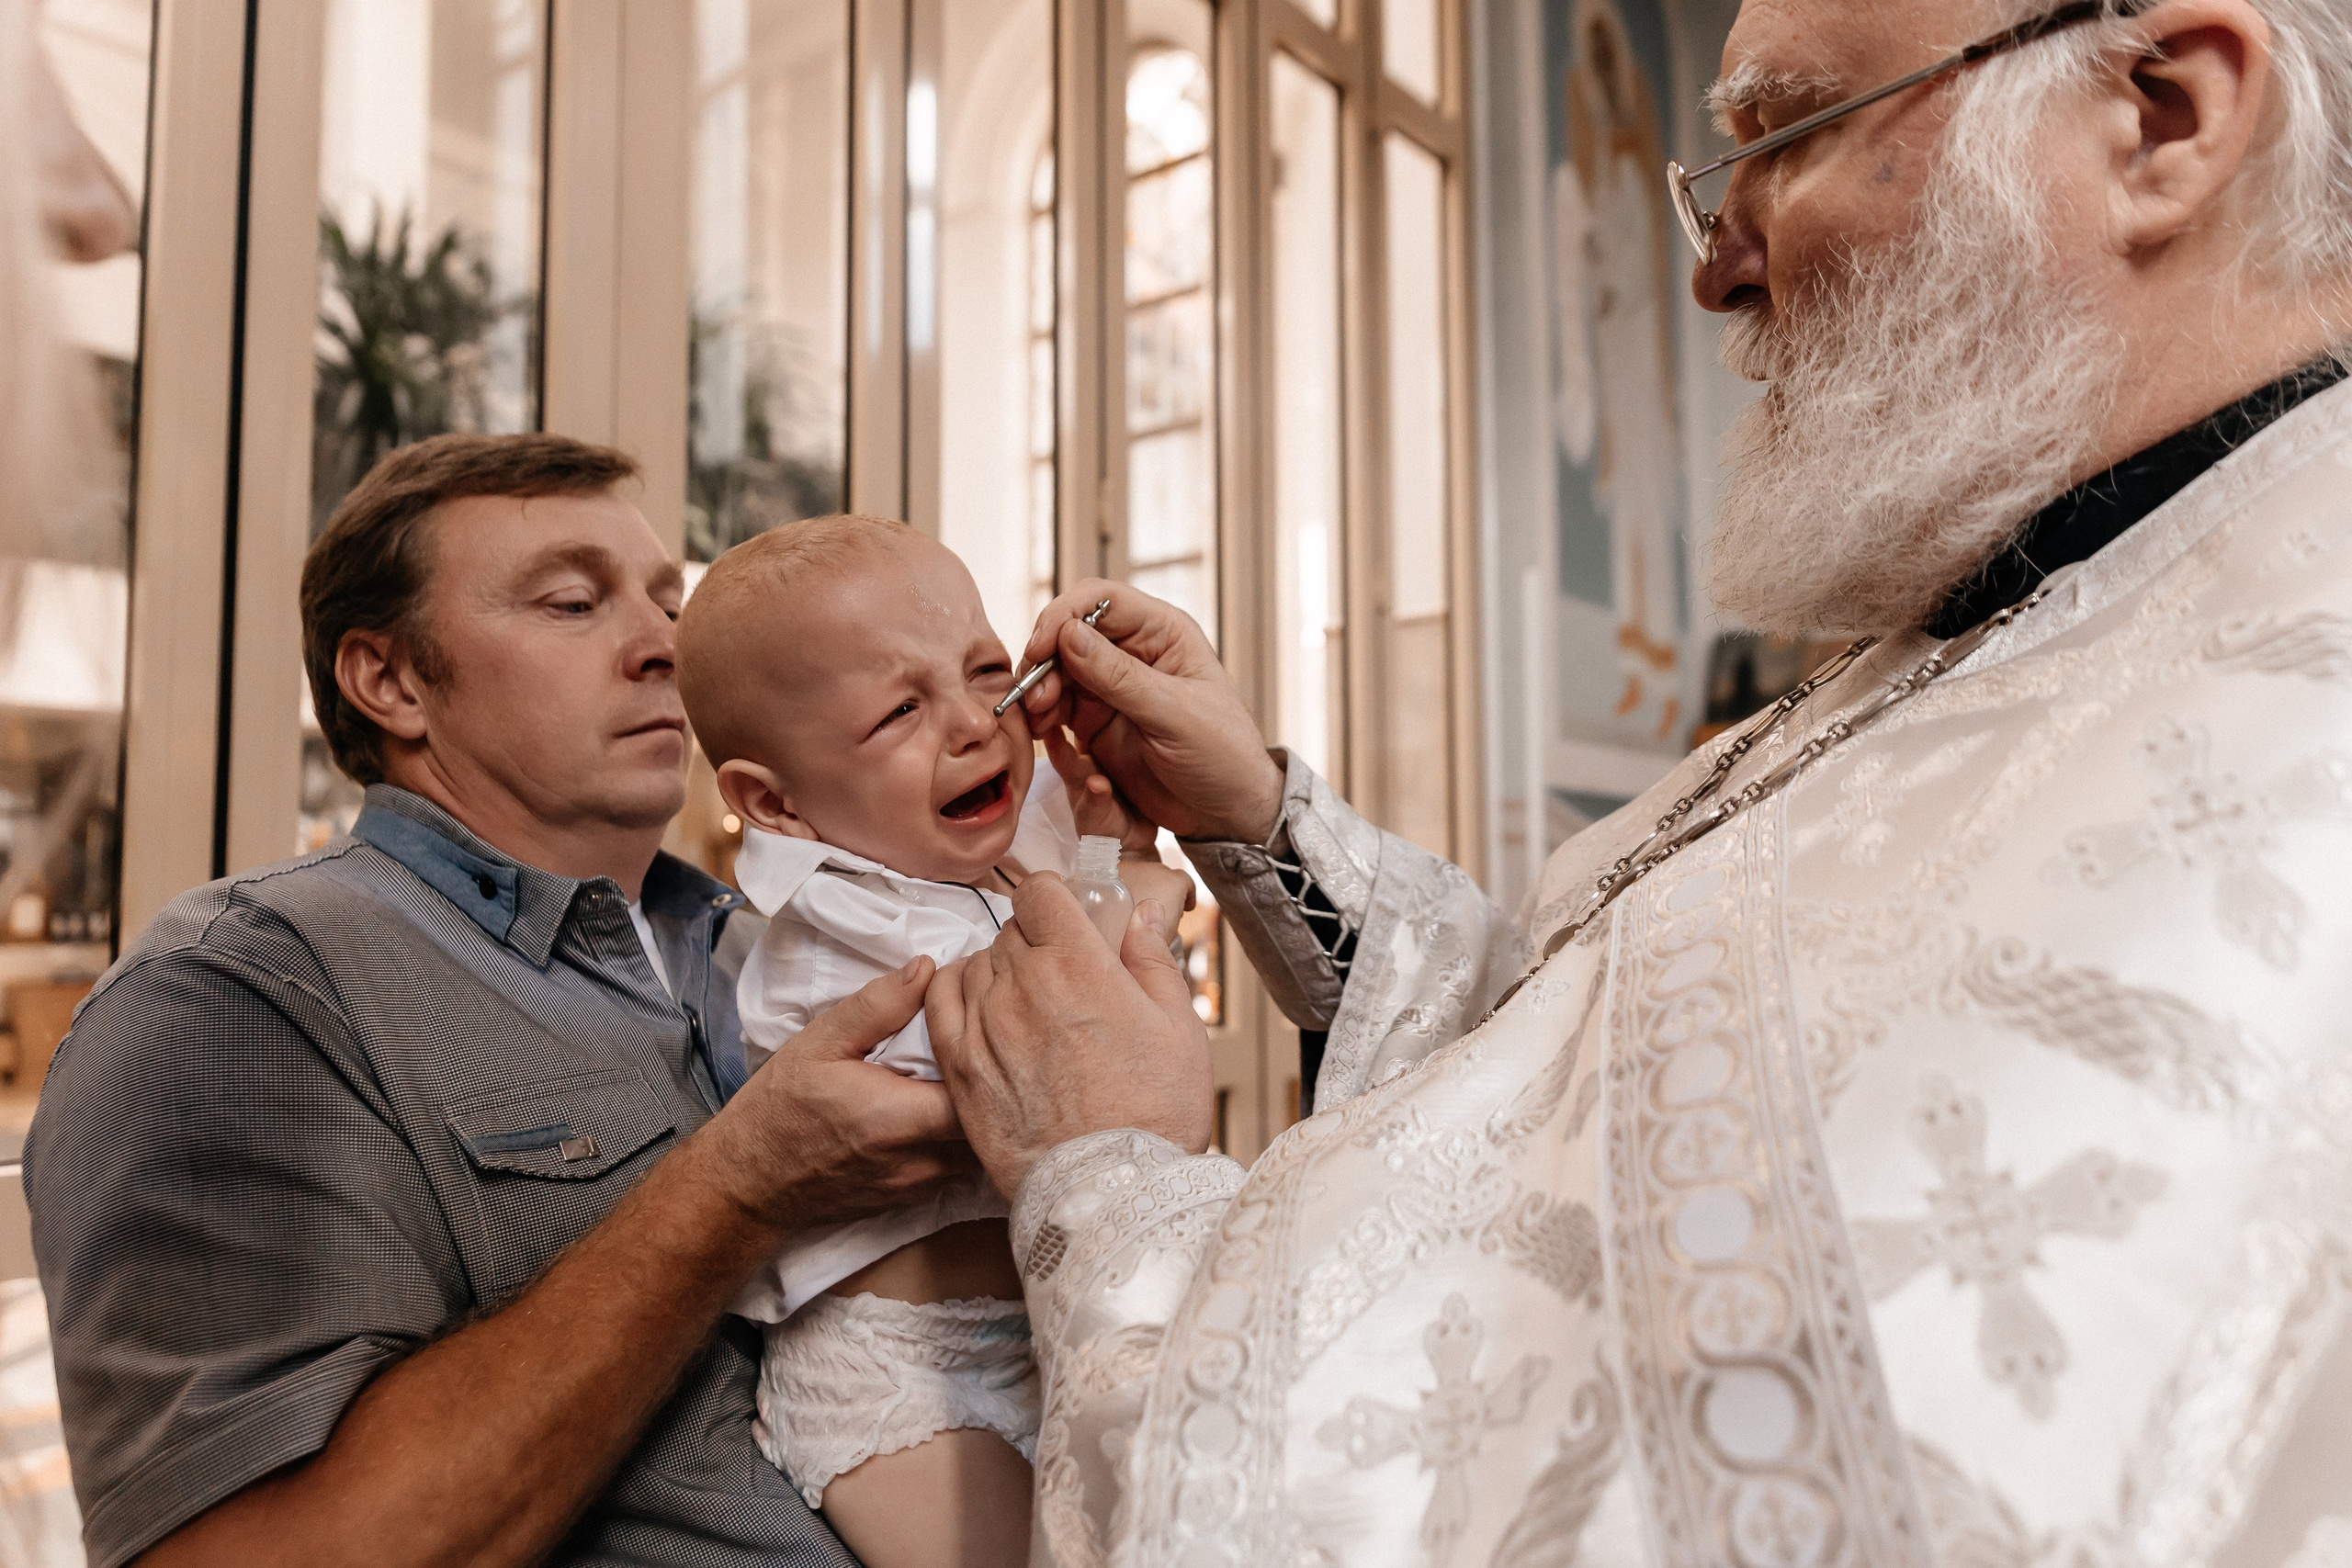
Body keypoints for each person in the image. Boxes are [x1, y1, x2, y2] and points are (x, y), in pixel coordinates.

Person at [923, 0, 2352, 1561]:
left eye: (1780, 142)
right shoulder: (2003, 615)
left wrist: (1108, 1186)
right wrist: (1257, 816)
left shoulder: (2286, 758)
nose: (1712, 267)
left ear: (2161, 117)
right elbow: (1546, 1064)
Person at [25, 434, 975, 1568]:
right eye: (573, 603)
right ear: (391, 681)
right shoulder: (242, 989)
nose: (662, 647)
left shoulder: (775, 947)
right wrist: (735, 1195)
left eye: (668, 602)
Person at [672, 516, 1190, 1568]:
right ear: (775, 803)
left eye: (987, 671)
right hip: (896, 1373)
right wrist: (1133, 909)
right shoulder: (833, 935)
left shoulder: (992, 857)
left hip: (1049, 1330)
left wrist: (1110, 839)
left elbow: (1079, 953)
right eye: (901, 711)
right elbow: (1045, 1041)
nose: (972, 727)